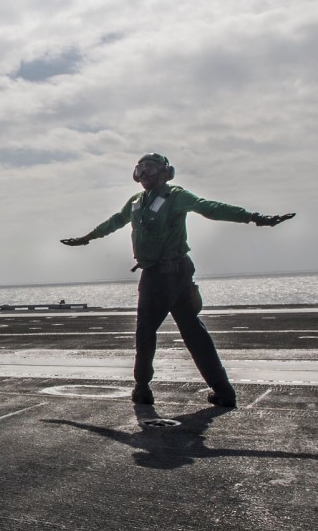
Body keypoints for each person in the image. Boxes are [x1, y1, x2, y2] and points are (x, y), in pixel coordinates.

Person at [60, 153, 294, 408]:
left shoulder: (176, 196)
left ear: (165, 173)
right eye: (140, 169)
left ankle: (142, 388)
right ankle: (223, 391)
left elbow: (210, 208)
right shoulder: (136, 202)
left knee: (146, 332)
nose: (144, 173)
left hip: (166, 275)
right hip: (168, 273)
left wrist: (254, 217)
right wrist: (87, 237)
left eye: (149, 168)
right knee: (193, 331)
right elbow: (116, 221)